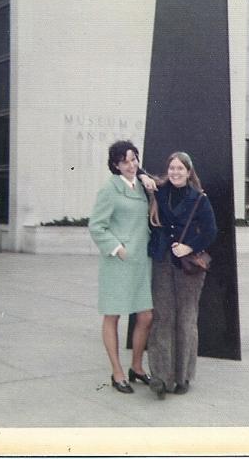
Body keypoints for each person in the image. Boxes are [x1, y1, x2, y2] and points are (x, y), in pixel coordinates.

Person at [146, 152, 217, 399]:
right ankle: (160, 377)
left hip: (188, 267)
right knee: (162, 318)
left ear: (189, 172)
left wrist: (190, 246)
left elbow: (211, 231)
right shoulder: (160, 191)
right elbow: (140, 175)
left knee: (186, 319)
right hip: (163, 262)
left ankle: (183, 376)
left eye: (180, 168)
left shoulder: (199, 199)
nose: (175, 172)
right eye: (172, 168)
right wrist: (146, 180)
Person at [88, 140, 154, 394]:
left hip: (140, 263)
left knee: (146, 315)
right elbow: (96, 226)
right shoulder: (109, 189)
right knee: (113, 315)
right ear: (116, 165)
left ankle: (137, 367)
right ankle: (117, 372)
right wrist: (117, 248)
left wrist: (146, 178)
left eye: (134, 159)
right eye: (125, 161)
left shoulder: (141, 185)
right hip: (118, 262)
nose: (131, 164)